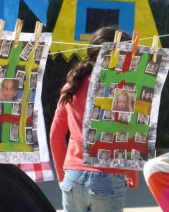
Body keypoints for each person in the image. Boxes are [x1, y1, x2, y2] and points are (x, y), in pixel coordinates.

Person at [50, 26, 138, 212]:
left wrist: (62, 175)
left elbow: (55, 137)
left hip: (72, 178)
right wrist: (132, 173)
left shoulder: (72, 85)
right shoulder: (124, 89)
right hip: (108, 179)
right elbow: (129, 134)